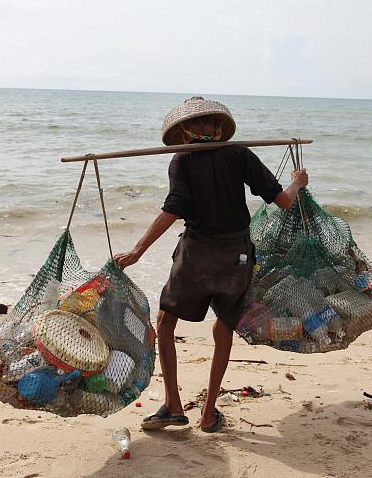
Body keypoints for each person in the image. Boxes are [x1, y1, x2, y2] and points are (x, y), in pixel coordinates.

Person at [114, 96, 308, 433]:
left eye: (205, 125)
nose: (204, 129)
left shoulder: (183, 160)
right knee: (222, 329)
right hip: (236, 256)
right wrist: (297, 182)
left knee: (166, 322)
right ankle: (206, 413)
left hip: (196, 254)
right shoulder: (238, 154)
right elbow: (284, 201)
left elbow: (173, 210)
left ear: (186, 132)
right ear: (210, 128)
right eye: (202, 124)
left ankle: (175, 405)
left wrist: (138, 250)